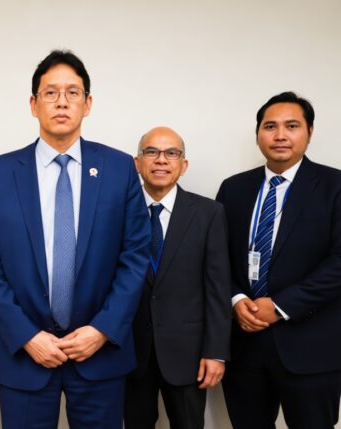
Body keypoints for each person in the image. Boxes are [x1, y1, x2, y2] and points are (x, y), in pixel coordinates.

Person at [0, 50, 150, 428]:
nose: (62, 102)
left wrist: (102, 330)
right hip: (25, 354)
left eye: (73, 92)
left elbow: (135, 255)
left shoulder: (119, 169)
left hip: (99, 353)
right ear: (33, 104)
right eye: (50, 93)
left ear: (88, 103)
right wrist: (26, 335)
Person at [216, 91, 341, 428]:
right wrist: (236, 298)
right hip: (244, 343)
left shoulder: (335, 186)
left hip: (311, 347)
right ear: (258, 134)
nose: (280, 135)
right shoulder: (233, 188)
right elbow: (216, 257)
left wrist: (281, 306)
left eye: (292, 126)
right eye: (270, 126)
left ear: (309, 132)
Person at [123, 127, 231, 429]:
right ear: (137, 163)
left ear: (183, 165)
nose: (161, 160)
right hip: (130, 350)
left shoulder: (209, 213)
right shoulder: (118, 211)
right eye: (151, 152)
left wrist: (216, 352)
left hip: (189, 353)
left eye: (172, 153)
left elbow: (218, 288)